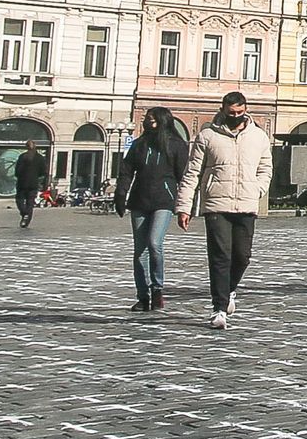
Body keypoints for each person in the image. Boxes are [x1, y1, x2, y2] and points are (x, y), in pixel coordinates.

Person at [174, 91, 272, 331]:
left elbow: (266, 167)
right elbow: (192, 172)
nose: (236, 117)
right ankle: (218, 308)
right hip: (216, 205)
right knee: (220, 256)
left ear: (246, 110)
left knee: (242, 256)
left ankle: (228, 291)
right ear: (223, 110)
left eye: (240, 113)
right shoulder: (207, 136)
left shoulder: (258, 136)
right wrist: (184, 207)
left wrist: (258, 188)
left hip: (247, 203)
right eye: (231, 113)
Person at [114, 107, 189, 312]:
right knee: (140, 251)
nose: (148, 123)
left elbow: (185, 176)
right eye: (147, 119)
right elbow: (126, 171)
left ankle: (157, 288)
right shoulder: (140, 144)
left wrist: (185, 205)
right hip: (140, 200)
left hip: (164, 200)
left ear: (163, 121)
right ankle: (142, 296)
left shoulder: (176, 145)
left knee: (154, 243)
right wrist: (121, 194)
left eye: (152, 120)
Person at [13, 140, 48, 228]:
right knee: (30, 202)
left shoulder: (22, 157)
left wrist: (20, 176)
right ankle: (26, 219)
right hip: (33, 183)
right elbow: (43, 171)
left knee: (19, 200)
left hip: (22, 182)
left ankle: (24, 213)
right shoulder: (40, 158)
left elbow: (17, 171)